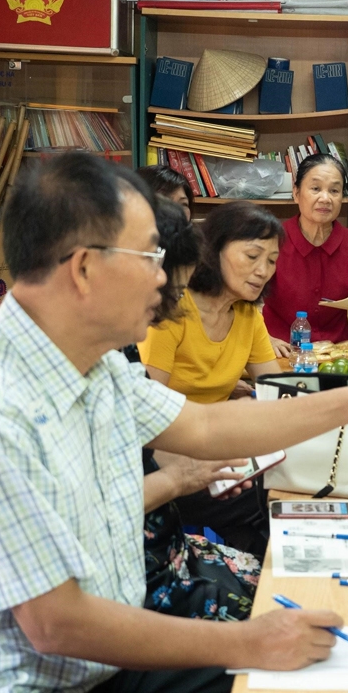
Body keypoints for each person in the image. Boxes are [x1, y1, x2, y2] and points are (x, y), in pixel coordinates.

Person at [0, 152, 348, 692]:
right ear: (84, 268)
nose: (163, 279)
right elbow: (57, 624)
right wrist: (249, 643)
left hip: (108, 648)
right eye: (148, 258)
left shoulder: (93, 359)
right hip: (41, 679)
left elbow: (204, 429)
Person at [133, 198, 262, 620]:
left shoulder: (114, 359)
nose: (166, 307)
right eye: (252, 256)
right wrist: (179, 477)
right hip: (146, 585)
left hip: (167, 553)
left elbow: (171, 426)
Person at [139, 200, 282, 404]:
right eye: (252, 256)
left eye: (271, 261)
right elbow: (149, 409)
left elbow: (277, 392)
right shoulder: (171, 308)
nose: (263, 271)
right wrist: (228, 414)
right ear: (214, 249)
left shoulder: (248, 316)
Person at [262, 153, 348, 351]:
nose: (325, 198)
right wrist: (264, 339)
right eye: (315, 188)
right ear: (296, 192)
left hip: (337, 354)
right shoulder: (272, 239)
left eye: (334, 190)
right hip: (280, 351)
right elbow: (239, 301)